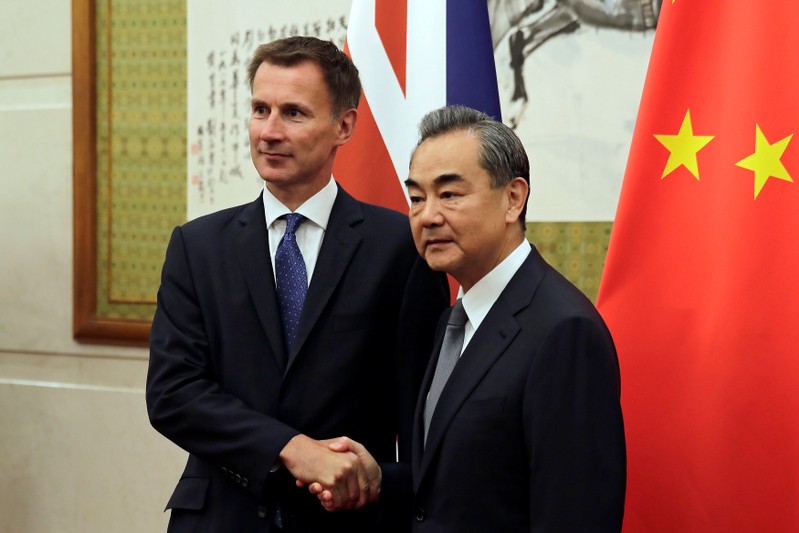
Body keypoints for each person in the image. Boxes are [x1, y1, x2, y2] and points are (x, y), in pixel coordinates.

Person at [145, 36, 449, 533]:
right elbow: (173, 394)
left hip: (348, 521)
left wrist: (385, 483)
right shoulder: (197, 246)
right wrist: (291, 450)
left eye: (293, 113)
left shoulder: (399, 247)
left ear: (344, 126)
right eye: (260, 109)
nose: (268, 131)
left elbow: (423, 415)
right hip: (223, 517)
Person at [403, 105, 626, 531]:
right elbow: (459, 484)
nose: (427, 216)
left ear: (513, 198)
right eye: (416, 197)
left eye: (449, 195)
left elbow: (575, 513)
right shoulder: (455, 321)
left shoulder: (563, 331)